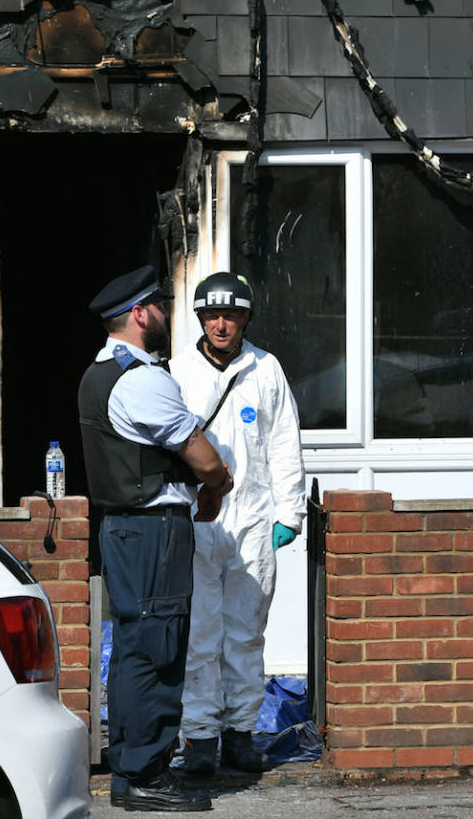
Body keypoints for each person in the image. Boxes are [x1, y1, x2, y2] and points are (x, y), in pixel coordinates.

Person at [78, 265, 233, 814]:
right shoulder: (142, 379)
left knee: (134, 651)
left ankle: (129, 770)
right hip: (152, 531)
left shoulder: (101, 373)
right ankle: (145, 774)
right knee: (158, 651)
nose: (167, 315)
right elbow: (203, 456)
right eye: (160, 307)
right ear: (141, 313)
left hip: (125, 529)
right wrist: (219, 483)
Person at [169, 271, 306, 776]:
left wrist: (287, 512)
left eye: (230, 315)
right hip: (198, 519)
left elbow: (284, 443)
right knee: (201, 632)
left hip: (252, 518)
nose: (221, 324)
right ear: (200, 319)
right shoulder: (178, 370)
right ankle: (201, 737)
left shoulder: (265, 369)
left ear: (246, 318)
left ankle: (240, 733)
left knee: (246, 631)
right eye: (212, 315)